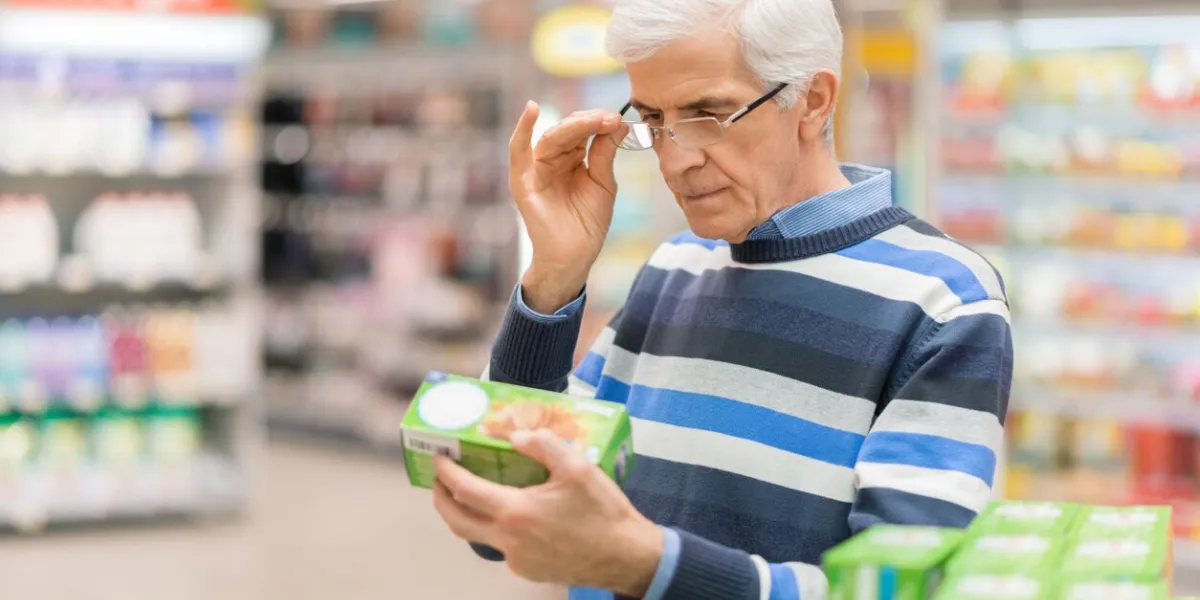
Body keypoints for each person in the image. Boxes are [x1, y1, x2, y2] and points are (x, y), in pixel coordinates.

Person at [429, 0, 1012, 598]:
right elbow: (504, 512)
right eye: (653, 119)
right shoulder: (674, 267)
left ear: (813, 101)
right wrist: (553, 274)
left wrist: (646, 565)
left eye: (709, 113)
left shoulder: (944, 300)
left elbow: (899, 591)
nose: (676, 158)